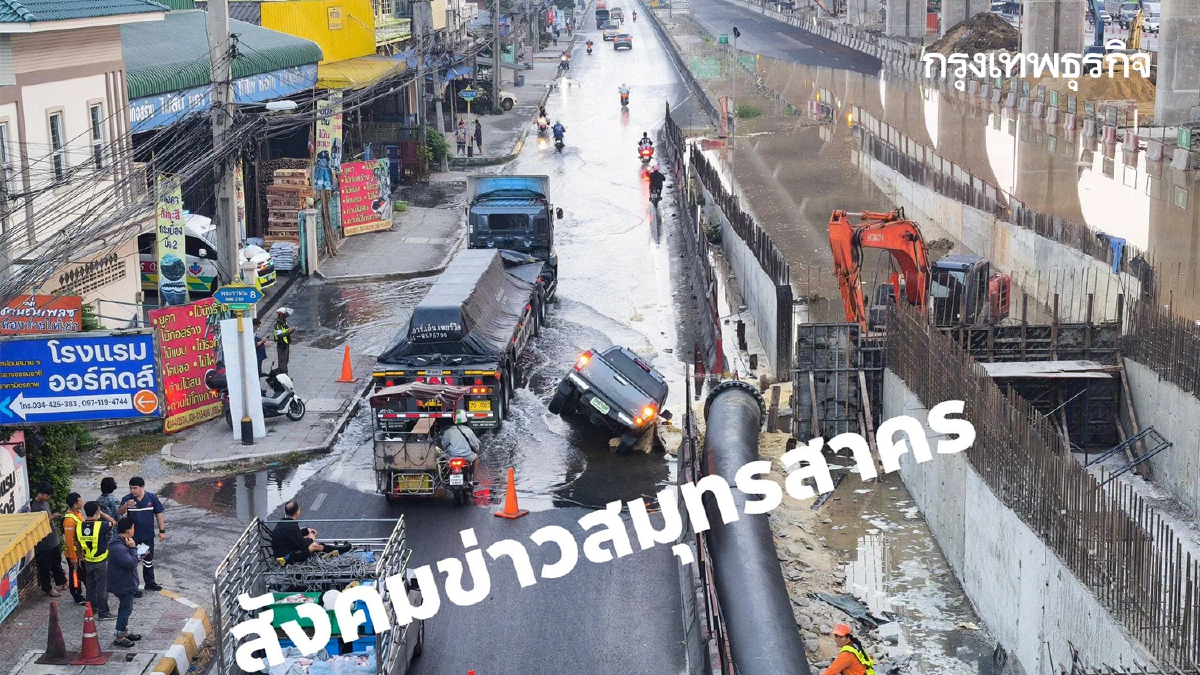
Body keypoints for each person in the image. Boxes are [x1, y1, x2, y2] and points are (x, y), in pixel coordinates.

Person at [117, 477, 165, 595]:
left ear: (142, 487)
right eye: (130, 488)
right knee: (132, 563)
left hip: (147, 536)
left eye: (135, 488)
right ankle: (133, 587)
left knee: (148, 560)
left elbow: (158, 514)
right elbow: (120, 512)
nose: (132, 490)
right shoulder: (127, 499)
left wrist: (162, 531)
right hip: (132, 538)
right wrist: (126, 505)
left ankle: (150, 583)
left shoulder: (152, 497)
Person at [22, 484, 67, 597]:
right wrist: (52, 518)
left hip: (53, 539)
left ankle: (62, 581)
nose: (48, 498)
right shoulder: (35, 507)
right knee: (45, 567)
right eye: (46, 495)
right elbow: (38, 525)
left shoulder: (45, 503)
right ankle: (48, 588)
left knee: (57, 562)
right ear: (40, 494)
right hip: (44, 542)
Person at [271, 501, 348, 564]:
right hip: (286, 559)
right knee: (314, 546)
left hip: (281, 554)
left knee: (308, 540)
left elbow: (293, 535)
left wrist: (306, 530)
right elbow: (303, 545)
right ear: (297, 512)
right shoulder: (292, 526)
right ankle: (340, 549)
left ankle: (331, 551)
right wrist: (311, 538)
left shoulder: (283, 522)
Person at [108, 517, 144, 648]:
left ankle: (125, 631)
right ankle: (119, 637)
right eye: (133, 528)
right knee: (125, 610)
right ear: (128, 531)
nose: (134, 530)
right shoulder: (118, 547)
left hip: (125, 581)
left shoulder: (123, 542)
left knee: (124, 608)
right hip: (123, 583)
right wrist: (133, 549)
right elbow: (130, 563)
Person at [78, 501, 113, 620]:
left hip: (87, 561)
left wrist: (80, 557)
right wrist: (102, 513)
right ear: (97, 511)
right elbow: (113, 522)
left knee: (90, 587)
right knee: (102, 588)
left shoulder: (79, 526)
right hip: (101, 561)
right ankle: (103, 613)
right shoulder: (102, 525)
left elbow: (77, 543)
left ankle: (91, 609)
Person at [62, 492, 87, 605]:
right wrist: (73, 557)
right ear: (75, 504)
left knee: (82, 573)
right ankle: (77, 595)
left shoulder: (78, 514)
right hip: (74, 554)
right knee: (75, 575)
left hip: (81, 553)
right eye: (80, 501)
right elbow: (69, 540)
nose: (82, 502)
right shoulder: (69, 521)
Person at [272, 307, 295, 374]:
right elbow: (279, 335)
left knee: (285, 360)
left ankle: (284, 373)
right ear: (281, 315)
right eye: (285, 315)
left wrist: (290, 330)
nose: (286, 317)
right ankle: (282, 374)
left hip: (285, 344)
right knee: (282, 361)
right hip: (281, 345)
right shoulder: (278, 324)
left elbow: (285, 331)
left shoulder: (283, 322)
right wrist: (289, 331)